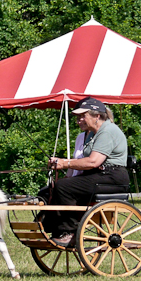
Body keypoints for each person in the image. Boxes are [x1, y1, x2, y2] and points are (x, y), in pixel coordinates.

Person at [41, 97, 129, 247]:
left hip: (112, 177)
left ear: (97, 116)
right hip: (98, 176)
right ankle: (49, 227)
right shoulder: (93, 133)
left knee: (64, 187)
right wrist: (61, 162)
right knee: (52, 188)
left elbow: (93, 161)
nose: (78, 120)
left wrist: (64, 163)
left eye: (83, 116)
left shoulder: (108, 131)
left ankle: (71, 232)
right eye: (77, 117)